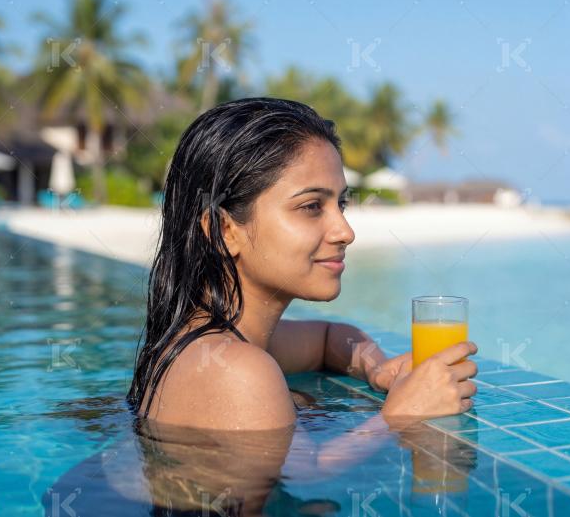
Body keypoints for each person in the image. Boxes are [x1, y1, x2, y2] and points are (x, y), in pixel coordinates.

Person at [125, 97, 479, 431]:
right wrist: (400, 416)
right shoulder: (235, 369)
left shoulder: (226, 342)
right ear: (223, 231)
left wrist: (379, 369)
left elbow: (328, 338)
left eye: (341, 205)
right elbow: (303, 481)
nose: (345, 232)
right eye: (311, 207)